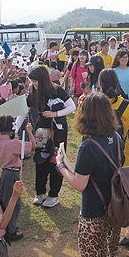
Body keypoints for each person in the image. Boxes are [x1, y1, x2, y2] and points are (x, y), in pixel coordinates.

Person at [56, 93, 125, 257]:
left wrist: (60, 166)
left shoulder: (88, 146)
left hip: (94, 212)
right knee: (110, 253)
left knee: (92, 254)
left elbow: (80, 184)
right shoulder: (117, 138)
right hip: (114, 208)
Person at [16, 65, 76, 209]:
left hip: (58, 131)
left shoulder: (57, 91)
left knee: (56, 160)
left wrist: (55, 114)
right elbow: (24, 112)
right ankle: (40, 192)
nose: (33, 84)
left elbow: (72, 107)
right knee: (40, 159)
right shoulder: (33, 94)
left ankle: (54, 194)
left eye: (35, 81)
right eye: (32, 82)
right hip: (41, 132)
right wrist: (15, 129)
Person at [98, 69, 129, 245]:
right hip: (124, 155)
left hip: (101, 156)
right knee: (123, 191)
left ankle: (109, 228)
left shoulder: (93, 103)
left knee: (105, 193)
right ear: (118, 84)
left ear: (99, 85)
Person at [0, 114, 36, 242]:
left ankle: (7, 227)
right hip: (11, 173)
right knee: (12, 202)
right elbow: (32, 146)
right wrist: (29, 132)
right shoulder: (13, 143)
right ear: (11, 129)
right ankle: (10, 229)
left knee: (2, 201)